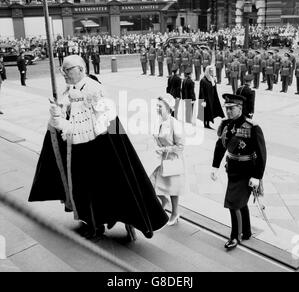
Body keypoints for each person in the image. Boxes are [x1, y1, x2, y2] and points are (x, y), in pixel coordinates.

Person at [28, 55, 168, 241]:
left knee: (97, 191)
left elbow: (101, 126)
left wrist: (70, 120)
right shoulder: (71, 90)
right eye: (62, 70)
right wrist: (57, 115)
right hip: (78, 151)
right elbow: (67, 122)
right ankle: (92, 222)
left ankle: (96, 226)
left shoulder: (94, 90)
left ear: (81, 69)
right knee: (82, 191)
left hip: (97, 154)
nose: (63, 74)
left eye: (67, 70)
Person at [211, 94, 267, 251]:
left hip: (247, 172)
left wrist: (257, 176)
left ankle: (235, 236)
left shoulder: (252, 127)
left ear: (240, 108)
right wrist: (215, 166)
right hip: (232, 170)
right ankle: (247, 231)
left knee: (233, 203)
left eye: (231, 108)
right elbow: (220, 146)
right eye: (226, 109)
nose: (228, 112)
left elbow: (262, 154)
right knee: (240, 203)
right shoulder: (227, 125)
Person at [150, 94, 186, 226]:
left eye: (160, 106)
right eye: (157, 106)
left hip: (173, 160)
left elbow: (181, 146)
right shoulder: (160, 122)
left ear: (168, 107)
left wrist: (164, 150)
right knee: (151, 183)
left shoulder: (174, 124)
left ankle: (175, 213)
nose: (157, 109)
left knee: (173, 189)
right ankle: (164, 201)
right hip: (163, 160)